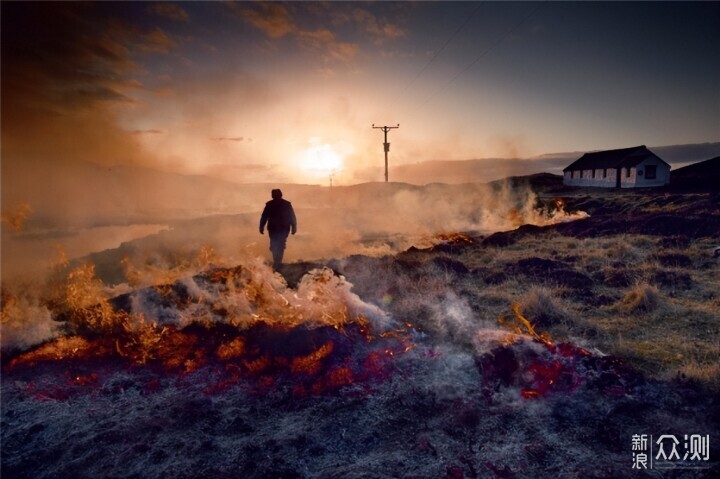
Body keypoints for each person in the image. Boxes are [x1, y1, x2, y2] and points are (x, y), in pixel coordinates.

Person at [259, 189, 297, 270]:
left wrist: (294, 227)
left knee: (280, 244)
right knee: (276, 245)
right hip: (275, 228)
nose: (275, 196)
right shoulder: (270, 205)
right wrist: (261, 226)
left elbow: (292, 216)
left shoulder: (285, 204)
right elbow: (264, 216)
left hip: (282, 228)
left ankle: (278, 262)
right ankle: (277, 261)